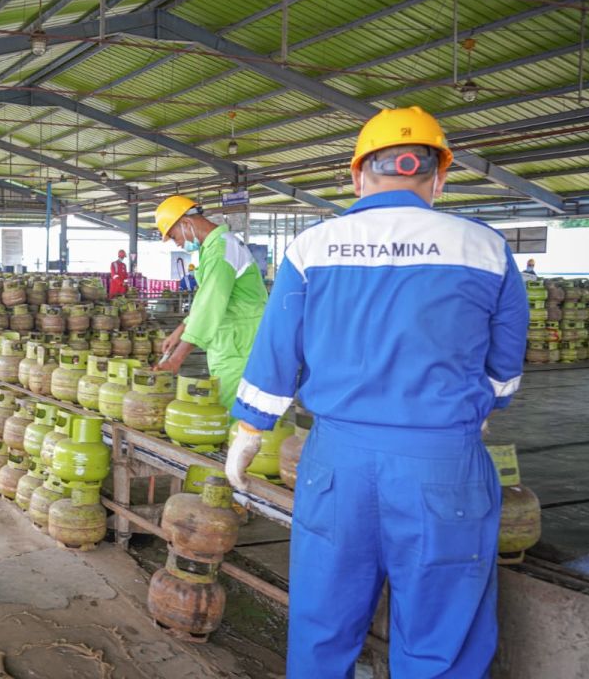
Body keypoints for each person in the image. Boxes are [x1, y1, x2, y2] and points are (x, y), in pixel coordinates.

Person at [227, 106, 528, 677]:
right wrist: (475, 407)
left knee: (322, 623)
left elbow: (274, 354)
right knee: (442, 636)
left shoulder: (313, 247)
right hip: (443, 465)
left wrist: (249, 432)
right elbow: (504, 370)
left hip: (337, 464)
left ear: (358, 176)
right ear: (438, 176)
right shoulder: (486, 248)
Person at [155, 196, 267, 410]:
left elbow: (210, 306)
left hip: (242, 343)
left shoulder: (221, 249)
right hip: (231, 341)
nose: (177, 242)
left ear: (186, 223)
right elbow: (204, 299)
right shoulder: (214, 247)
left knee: (235, 412)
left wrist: (176, 359)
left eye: (174, 236)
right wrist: (178, 332)